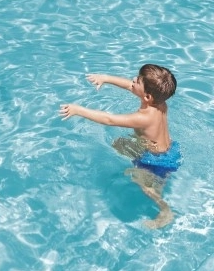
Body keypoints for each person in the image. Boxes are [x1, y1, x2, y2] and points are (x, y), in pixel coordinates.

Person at [59, 64, 181, 229]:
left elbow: (109, 120)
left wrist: (78, 110)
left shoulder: (143, 118)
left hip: (155, 162)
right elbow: (130, 86)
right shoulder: (160, 104)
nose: (132, 81)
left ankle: (165, 210)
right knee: (119, 144)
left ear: (147, 97)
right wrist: (106, 78)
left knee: (146, 187)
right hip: (168, 150)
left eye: (137, 81)